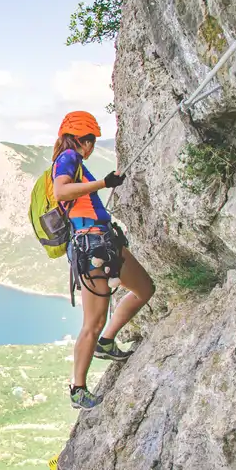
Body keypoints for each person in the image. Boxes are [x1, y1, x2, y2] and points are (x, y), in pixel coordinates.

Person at [51, 110, 155, 410]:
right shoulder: (67, 158)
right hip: (92, 247)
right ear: (80, 139)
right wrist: (103, 184)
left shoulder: (76, 162)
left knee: (145, 289)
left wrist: (104, 184)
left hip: (104, 242)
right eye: (90, 141)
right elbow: (61, 191)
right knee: (92, 322)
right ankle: (78, 389)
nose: (92, 146)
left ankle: (106, 343)